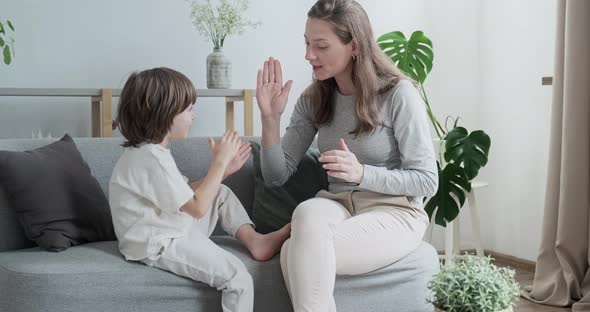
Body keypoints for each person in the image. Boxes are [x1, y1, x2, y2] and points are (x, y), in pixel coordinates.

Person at [254, 0, 439, 311]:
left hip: (394, 212)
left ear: (354, 45)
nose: (308, 55)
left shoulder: (398, 94)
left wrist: (362, 174)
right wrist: (270, 118)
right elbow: (276, 175)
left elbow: (427, 181)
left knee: (293, 251)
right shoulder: (314, 98)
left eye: (321, 46)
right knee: (307, 214)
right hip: (337, 206)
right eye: (307, 43)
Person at [109, 67, 291, 312]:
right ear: (163, 113)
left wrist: (223, 172)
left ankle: (255, 241)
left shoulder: (150, 152)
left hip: (167, 226)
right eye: (188, 110)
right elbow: (196, 207)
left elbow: (184, 194)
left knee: (221, 193)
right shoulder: (150, 158)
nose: (193, 116)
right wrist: (218, 163)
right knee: (238, 279)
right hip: (158, 242)